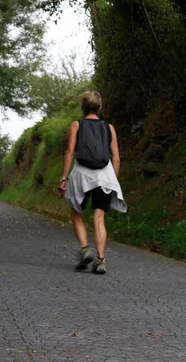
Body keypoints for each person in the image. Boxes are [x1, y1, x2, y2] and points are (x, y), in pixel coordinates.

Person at [58, 91, 127, 274]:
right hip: (104, 176)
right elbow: (117, 158)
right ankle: (100, 259)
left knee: (76, 212)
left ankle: (84, 249)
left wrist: (64, 177)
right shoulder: (109, 128)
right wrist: (112, 180)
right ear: (100, 107)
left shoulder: (76, 125)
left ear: (82, 106)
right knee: (99, 217)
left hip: (81, 174)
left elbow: (70, 152)